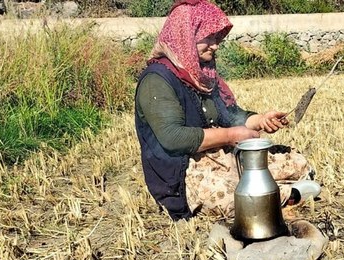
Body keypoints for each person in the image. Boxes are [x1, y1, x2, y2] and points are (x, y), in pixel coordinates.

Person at [135, 0, 319, 220]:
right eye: (209, 38)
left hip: (220, 155)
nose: (215, 45)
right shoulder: (157, 80)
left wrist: (260, 120)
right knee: (227, 199)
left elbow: (230, 115)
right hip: (183, 171)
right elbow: (173, 138)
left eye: (217, 38)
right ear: (186, 35)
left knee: (297, 163)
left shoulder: (202, 74)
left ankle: (270, 191)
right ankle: (287, 195)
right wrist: (231, 135)